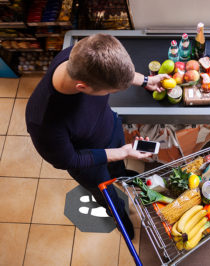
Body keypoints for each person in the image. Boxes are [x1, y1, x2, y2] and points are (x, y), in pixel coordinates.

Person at [25, 33, 168, 240]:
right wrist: (119, 152)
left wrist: (146, 80)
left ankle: (120, 173)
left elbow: (118, 74)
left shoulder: (79, 56)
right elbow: (70, 160)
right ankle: (119, 216)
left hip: (110, 128)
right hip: (89, 163)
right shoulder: (44, 122)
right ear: (82, 88)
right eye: (110, 91)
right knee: (107, 194)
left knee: (118, 168)